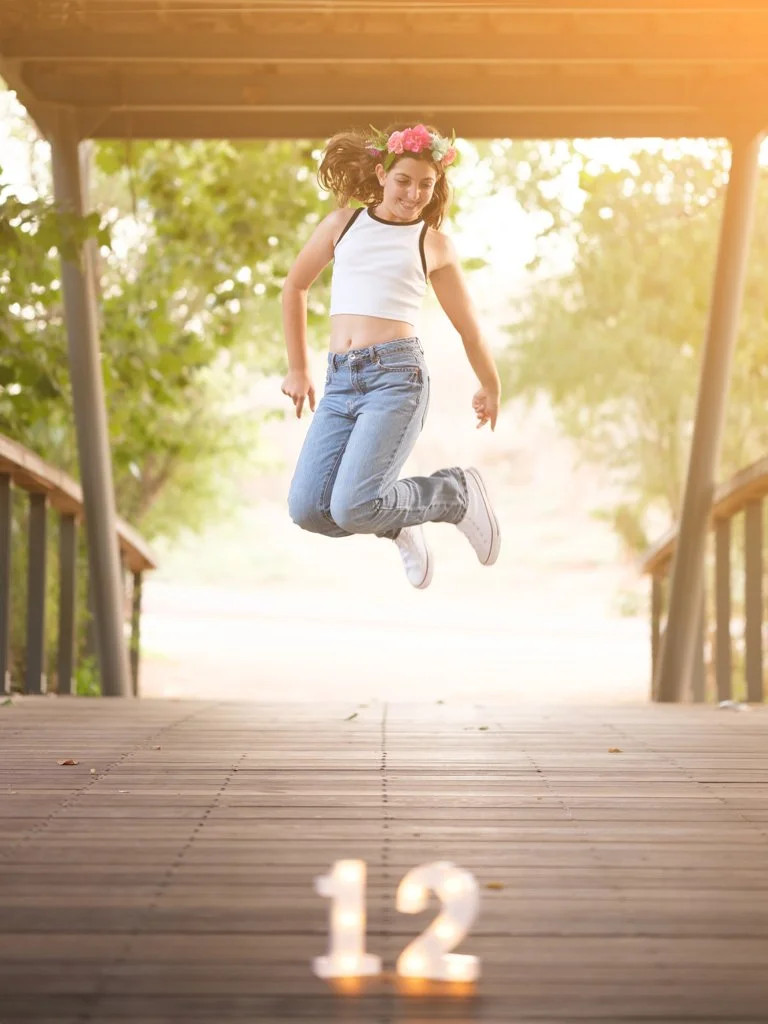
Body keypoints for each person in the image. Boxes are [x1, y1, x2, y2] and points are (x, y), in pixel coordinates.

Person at [280, 121, 501, 589]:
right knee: (308, 510)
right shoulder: (344, 224)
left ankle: (453, 494)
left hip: (396, 379)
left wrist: (490, 383)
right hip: (341, 380)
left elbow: (469, 328)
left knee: (353, 506)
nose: (414, 193)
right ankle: (399, 521)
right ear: (381, 174)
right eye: (403, 180)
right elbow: (295, 287)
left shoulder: (431, 243)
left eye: (426, 184)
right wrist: (298, 368)